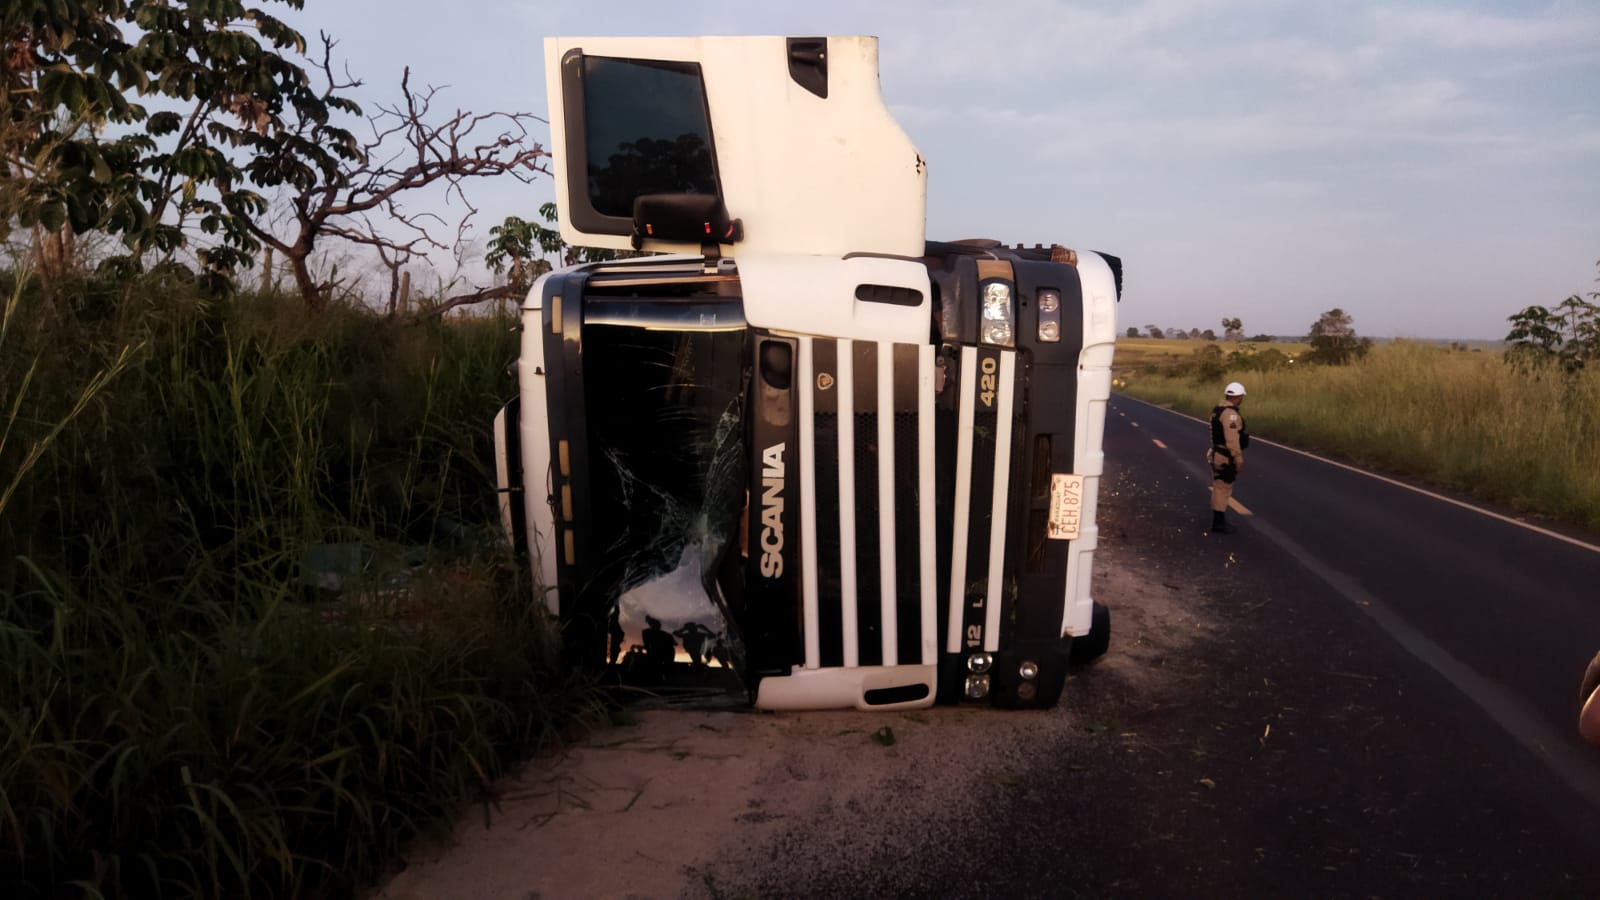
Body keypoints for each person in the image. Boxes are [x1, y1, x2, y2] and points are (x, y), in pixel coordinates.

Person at [1207, 381, 1249, 534]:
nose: (1242, 400)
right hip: (1224, 455)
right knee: (1223, 488)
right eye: (1241, 397)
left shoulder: (1217, 410)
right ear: (1237, 397)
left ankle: (1219, 521)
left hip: (1217, 453)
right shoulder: (1230, 414)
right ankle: (1218, 523)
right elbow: (1232, 439)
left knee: (1220, 487)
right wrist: (1238, 458)